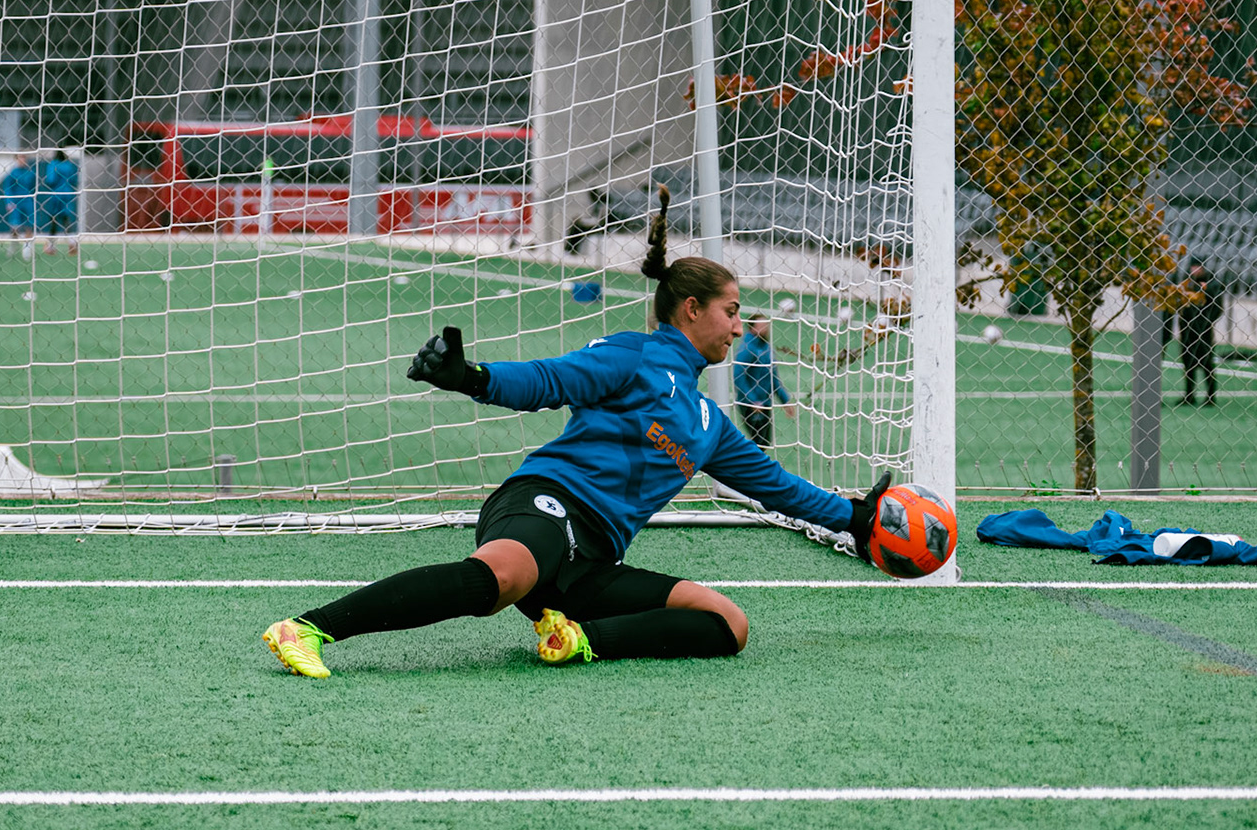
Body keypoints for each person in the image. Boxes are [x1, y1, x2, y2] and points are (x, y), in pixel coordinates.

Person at [261, 188, 890, 678]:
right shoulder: (633, 355)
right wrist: (472, 376)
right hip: (546, 503)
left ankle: (576, 639)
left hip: (592, 558)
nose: (737, 325)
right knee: (501, 577)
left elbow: (777, 486)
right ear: (692, 310)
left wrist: (854, 518)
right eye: (730, 311)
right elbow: (549, 379)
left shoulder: (708, 425)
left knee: (727, 623)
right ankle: (308, 629)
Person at [733, 313, 796, 448]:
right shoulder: (747, 348)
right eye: (761, 325)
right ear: (752, 328)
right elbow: (738, 376)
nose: (765, 327)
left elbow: (773, 378)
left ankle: (753, 467)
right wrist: (752, 400)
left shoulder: (766, 348)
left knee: (764, 443)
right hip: (751, 405)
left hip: (765, 404)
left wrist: (785, 401)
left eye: (766, 324)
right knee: (759, 443)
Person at [1177, 262, 1222, 406]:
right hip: (1187, 329)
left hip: (1204, 330)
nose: (1194, 270)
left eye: (1197, 267)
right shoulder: (1187, 283)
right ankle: (1189, 394)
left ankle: (1210, 396)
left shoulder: (1212, 284)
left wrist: (1208, 322)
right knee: (1188, 362)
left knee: (1206, 362)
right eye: (1193, 267)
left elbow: (1218, 306)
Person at [38, 149, 79, 255]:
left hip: (57, 194)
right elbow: (74, 180)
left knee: (54, 219)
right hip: (68, 194)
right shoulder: (69, 165)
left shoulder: (53, 165)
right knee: (66, 218)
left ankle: (51, 246)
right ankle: (72, 243)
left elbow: (51, 180)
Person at [0, 154, 38, 258]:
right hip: (16, 202)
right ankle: (13, 244)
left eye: (24, 158)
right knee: (15, 226)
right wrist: (9, 202)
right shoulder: (12, 173)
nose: (22, 160)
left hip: (28, 201)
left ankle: (27, 249)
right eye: (20, 158)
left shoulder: (30, 173)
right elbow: (8, 188)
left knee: (29, 225)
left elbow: (33, 187)